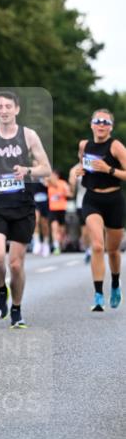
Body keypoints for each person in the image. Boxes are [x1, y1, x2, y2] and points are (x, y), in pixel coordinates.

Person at [0, 91, 52, 328]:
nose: (4, 110)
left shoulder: (28, 136)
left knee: (16, 264)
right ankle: (1, 289)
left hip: (22, 206)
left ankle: (17, 309)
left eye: (8, 106)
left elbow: (46, 168)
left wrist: (27, 171)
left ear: (16, 109)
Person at [76, 109, 126, 311]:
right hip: (92, 199)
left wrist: (109, 170)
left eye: (106, 122)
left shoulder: (116, 147)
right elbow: (82, 164)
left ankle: (115, 283)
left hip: (114, 200)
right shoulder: (83, 145)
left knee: (112, 250)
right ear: (91, 124)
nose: (101, 125)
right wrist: (79, 170)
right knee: (97, 245)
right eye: (98, 121)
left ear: (111, 127)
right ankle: (98, 294)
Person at [69, 162, 91, 262]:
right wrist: (72, 182)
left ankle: (97, 247)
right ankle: (88, 250)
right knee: (85, 229)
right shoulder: (75, 169)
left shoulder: (96, 163)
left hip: (97, 201)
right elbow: (72, 191)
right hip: (81, 203)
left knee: (97, 227)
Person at [46, 170, 71, 254]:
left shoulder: (63, 183)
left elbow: (69, 194)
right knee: (54, 227)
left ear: (57, 175)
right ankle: (56, 246)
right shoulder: (49, 183)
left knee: (61, 230)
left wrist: (62, 193)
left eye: (53, 175)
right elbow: (44, 179)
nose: (52, 176)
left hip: (62, 209)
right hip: (52, 209)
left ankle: (60, 244)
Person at [29, 177, 51, 256]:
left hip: (44, 200)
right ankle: (37, 242)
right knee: (36, 220)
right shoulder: (30, 171)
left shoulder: (45, 173)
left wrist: (45, 180)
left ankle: (45, 243)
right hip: (34, 200)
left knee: (44, 224)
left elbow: (50, 184)